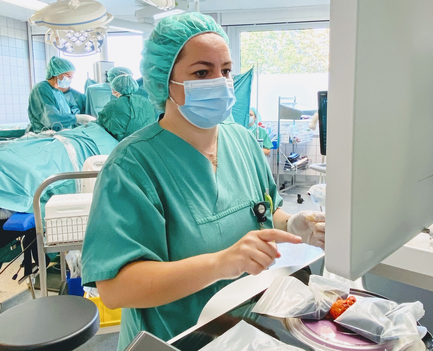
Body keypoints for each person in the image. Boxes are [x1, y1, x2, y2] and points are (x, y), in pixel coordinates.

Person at [81, 12, 326, 350]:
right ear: (165, 81)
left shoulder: (242, 141)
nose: (221, 82)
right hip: (175, 339)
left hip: (246, 330)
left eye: (225, 70)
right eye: (201, 72)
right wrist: (220, 263)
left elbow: (265, 211)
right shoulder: (132, 165)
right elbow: (116, 288)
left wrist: (296, 226)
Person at [28, 56, 95, 132]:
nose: (70, 79)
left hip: (60, 136)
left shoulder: (58, 92)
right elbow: (51, 119)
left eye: (71, 77)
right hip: (45, 137)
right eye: (68, 76)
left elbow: (66, 115)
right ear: (57, 73)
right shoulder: (41, 88)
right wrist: (80, 118)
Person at [96, 71, 157, 142]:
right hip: (149, 140)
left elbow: (105, 127)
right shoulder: (146, 101)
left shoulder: (113, 106)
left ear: (114, 89)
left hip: (126, 144)